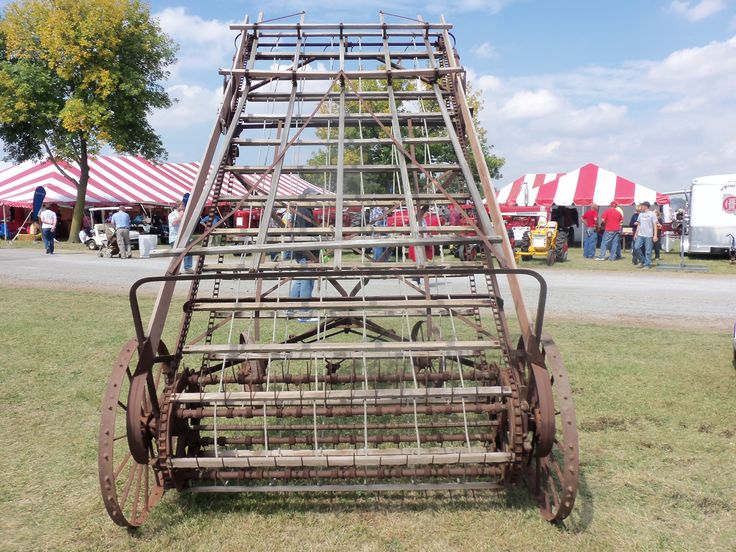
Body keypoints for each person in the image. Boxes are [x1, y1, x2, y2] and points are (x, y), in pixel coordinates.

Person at [289, 194, 318, 322]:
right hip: (306, 252)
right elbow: (304, 233)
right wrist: (309, 253)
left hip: (303, 251)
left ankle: (289, 309)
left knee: (301, 280)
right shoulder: (304, 211)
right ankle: (304, 314)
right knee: (306, 280)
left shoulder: (301, 210)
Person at [168, 201, 193, 274]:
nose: (183, 207)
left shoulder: (185, 214)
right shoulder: (172, 214)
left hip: (185, 236)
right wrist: (181, 216)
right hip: (175, 237)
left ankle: (188, 267)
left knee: (188, 252)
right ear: (176, 206)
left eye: (183, 205)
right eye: (181, 206)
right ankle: (174, 269)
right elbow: (174, 223)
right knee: (176, 254)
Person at [633, 201, 658, 269]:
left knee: (648, 251)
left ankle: (647, 264)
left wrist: (655, 235)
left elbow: (655, 225)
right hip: (640, 235)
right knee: (636, 247)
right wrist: (636, 234)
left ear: (646, 206)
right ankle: (643, 260)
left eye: (642, 206)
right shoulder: (640, 214)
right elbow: (639, 224)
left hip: (649, 235)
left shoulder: (652, 214)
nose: (641, 207)